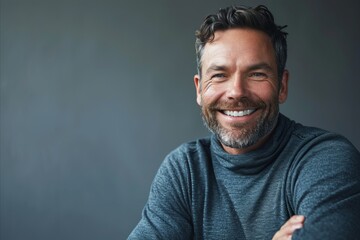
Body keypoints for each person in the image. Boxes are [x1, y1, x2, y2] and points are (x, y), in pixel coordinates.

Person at [128, 5, 360, 239]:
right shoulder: (184, 171)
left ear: (282, 86)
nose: (237, 92)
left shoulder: (325, 158)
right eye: (219, 75)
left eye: (257, 74)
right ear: (199, 89)